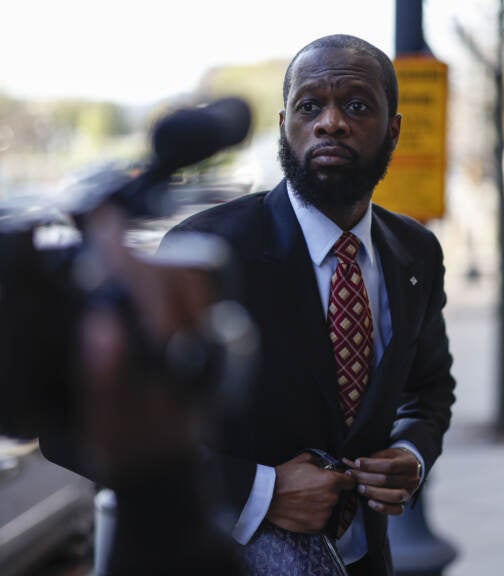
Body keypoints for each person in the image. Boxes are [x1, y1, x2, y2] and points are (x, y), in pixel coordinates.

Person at [162, 34, 456, 575]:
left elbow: (429, 388)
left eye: (357, 105)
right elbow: (104, 429)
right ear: (284, 125)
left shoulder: (415, 252)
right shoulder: (203, 252)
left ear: (394, 129)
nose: (331, 123)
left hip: (362, 558)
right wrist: (261, 491)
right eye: (310, 106)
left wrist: (411, 455)